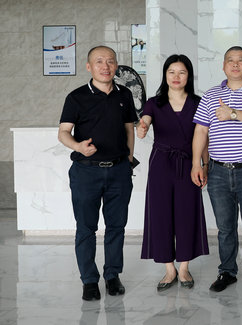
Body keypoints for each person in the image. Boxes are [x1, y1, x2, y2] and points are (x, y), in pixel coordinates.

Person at [58, 46, 136, 301]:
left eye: (110, 61)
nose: (106, 66)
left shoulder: (124, 94)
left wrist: (128, 160)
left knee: (116, 226)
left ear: (116, 66)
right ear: (89, 66)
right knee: (86, 228)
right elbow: (63, 132)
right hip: (86, 172)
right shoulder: (76, 97)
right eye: (99, 61)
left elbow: (129, 129)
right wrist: (78, 146)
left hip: (118, 171)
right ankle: (89, 281)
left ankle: (112, 276)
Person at [190, 46, 242, 292]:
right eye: (230, 60)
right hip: (218, 171)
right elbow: (200, 130)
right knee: (225, 228)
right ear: (223, 66)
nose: (235, 64)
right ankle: (227, 271)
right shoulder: (210, 95)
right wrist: (196, 163)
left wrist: (232, 113)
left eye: (241, 60)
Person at [137, 54, 209, 291]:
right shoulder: (154, 102)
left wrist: (205, 165)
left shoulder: (198, 102)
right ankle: (169, 269)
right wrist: (142, 128)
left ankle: (185, 267)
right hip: (161, 163)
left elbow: (204, 137)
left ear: (189, 76)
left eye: (182, 72)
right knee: (161, 214)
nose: (176, 77)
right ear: (165, 75)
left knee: (187, 214)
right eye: (171, 72)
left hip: (189, 163)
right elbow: (145, 121)